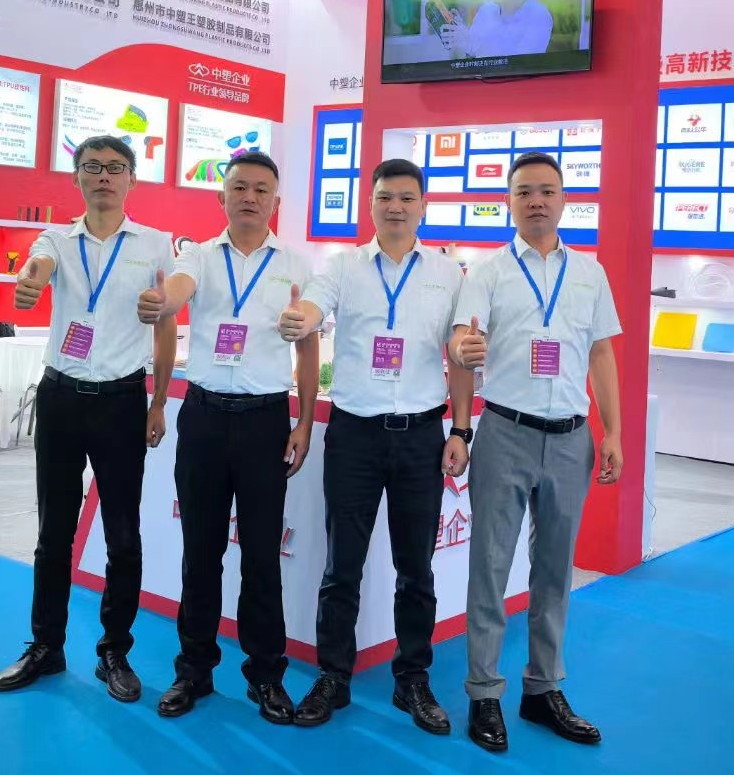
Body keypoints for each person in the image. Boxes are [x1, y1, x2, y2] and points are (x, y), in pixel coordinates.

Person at [277, 158, 474, 734]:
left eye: (407, 198)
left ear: (423, 206)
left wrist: (460, 430)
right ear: (371, 204)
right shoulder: (343, 267)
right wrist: (300, 318)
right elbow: (313, 306)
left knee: (417, 569)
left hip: (421, 436)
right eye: (386, 197)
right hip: (355, 435)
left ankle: (412, 679)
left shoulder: (448, 274)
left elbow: (460, 354)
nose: (396, 207)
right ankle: (333, 675)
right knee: (342, 565)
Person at [449, 151, 623, 754]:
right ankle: (484, 692)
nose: (536, 201)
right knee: (491, 566)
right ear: (510, 201)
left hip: (572, 437)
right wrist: (463, 359)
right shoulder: (488, 272)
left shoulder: (590, 273)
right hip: (506, 432)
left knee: (555, 569)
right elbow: (462, 340)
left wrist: (612, 432)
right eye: (524, 191)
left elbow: (601, 353)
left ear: (564, 200)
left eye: (547, 190)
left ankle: (543, 688)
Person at [0, 135, 176, 703]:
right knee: (53, 531)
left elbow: (166, 326)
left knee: (123, 533)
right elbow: (37, 266)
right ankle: (45, 646)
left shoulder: (155, 245)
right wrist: (30, 282)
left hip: (122, 401)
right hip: (62, 398)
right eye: (92, 167)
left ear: (132, 179)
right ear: (76, 178)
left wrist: (158, 401)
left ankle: (114, 651)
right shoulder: (57, 239)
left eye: (115, 168)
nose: (103, 177)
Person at [136, 152, 318, 724]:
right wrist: (164, 301)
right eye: (239, 187)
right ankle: (194, 669)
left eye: (261, 189)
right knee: (201, 552)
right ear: (222, 197)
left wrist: (304, 420)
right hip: (205, 418)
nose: (249, 197)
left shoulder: (297, 264)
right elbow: (179, 289)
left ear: (275, 201)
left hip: (266, 421)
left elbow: (308, 345)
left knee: (262, 556)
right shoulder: (198, 256)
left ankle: (266, 675)